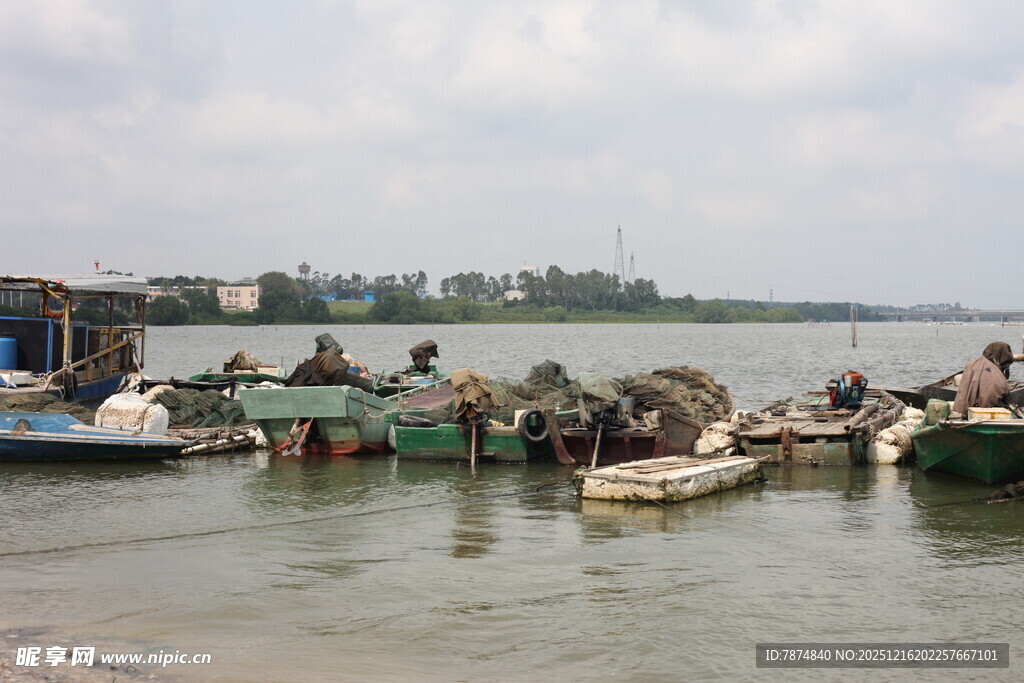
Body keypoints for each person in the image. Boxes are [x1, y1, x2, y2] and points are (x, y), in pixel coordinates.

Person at [952, 342, 1014, 413]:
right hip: (986, 410)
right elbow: (993, 397)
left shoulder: (971, 364)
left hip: (962, 409)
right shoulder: (994, 374)